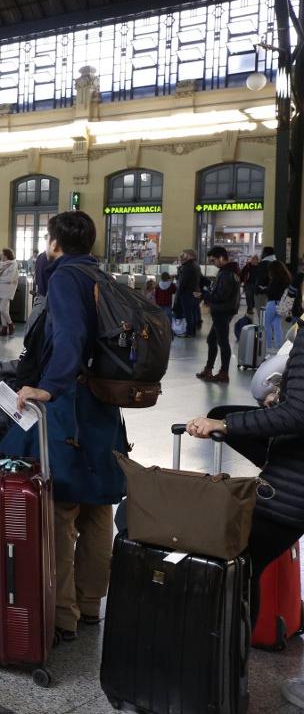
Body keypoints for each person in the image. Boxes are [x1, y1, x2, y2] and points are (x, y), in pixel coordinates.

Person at [9, 211, 130, 643]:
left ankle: (64, 612)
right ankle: (92, 603)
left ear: (55, 241)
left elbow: (71, 335)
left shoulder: (64, 277)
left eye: (47, 238)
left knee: (61, 507)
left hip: (72, 403)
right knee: (99, 505)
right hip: (103, 404)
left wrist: (50, 386)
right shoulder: (100, 274)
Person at [184, 344, 304, 709]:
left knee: (239, 562)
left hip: (293, 486)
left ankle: (224, 674)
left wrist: (226, 424)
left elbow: (298, 413)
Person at [196, 246, 241, 384]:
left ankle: (223, 373)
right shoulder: (228, 272)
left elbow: (221, 296)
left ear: (221, 258)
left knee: (222, 342)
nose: (213, 263)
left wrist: (204, 295)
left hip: (222, 311)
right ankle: (209, 369)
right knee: (211, 340)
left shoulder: (227, 273)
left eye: (213, 260)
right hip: (223, 311)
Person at [265, 258, 291, 352]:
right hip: (281, 305)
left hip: (272, 304)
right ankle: (278, 345)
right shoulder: (286, 279)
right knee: (277, 325)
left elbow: (270, 292)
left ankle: (267, 345)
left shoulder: (275, 280)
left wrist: (265, 289)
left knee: (266, 325)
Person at [0, 247, 18, 337]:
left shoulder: (14, 264)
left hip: (8, 289)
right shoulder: (1, 264)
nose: (0, 255)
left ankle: (11, 324)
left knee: (3, 308)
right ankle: (4, 328)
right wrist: (0, 270)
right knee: (2, 310)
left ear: (6, 255)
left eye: (2, 254)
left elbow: (10, 279)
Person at [174, 249, 201, 338]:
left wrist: (178, 295)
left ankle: (189, 332)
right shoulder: (195, 265)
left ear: (190, 255)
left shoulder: (188, 266)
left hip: (187, 294)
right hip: (194, 292)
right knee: (192, 313)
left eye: (184, 254)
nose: (183, 255)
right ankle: (192, 331)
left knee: (188, 314)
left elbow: (183, 282)